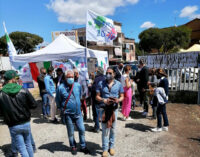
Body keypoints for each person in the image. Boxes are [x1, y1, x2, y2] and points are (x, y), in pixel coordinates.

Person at [0, 70, 37, 157]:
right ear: (12, 79)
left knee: (22, 147)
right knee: (28, 144)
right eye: (16, 78)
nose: (17, 79)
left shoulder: (1, 94)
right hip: (25, 122)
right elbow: (34, 105)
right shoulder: (23, 90)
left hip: (13, 124)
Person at [56, 70, 90, 155]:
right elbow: (58, 101)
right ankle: (73, 146)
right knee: (71, 132)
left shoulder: (77, 85)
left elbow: (80, 96)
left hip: (78, 113)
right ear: (65, 77)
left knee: (82, 130)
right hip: (68, 114)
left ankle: (83, 146)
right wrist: (62, 109)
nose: (71, 78)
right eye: (69, 77)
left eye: (72, 77)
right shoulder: (60, 88)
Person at [96, 67, 124, 157]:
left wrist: (118, 100)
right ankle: (104, 149)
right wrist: (104, 100)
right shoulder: (101, 83)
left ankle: (111, 147)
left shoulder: (119, 84)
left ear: (114, 74)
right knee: (104, 130)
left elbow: (122, 96)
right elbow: (97, 96)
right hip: (104, 109)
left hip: (114, 109)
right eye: (107, 73)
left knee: (113, 129)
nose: (108, 74)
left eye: (110, 73)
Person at [91, 67, 105, 132]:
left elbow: (94, 89)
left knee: (96, 113)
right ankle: (104, 127)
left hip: (96, 97)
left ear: (98, 72)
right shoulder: (104, 78)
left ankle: (97, 127)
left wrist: (89, 87)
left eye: (96, 71)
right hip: (103, 97)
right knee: (103, 113)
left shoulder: (97, 79)